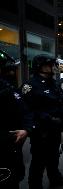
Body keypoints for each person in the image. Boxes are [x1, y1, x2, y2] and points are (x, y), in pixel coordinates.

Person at [20, 54, 63, 189]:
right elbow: (29, 109)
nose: (53, 67)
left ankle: (55, 178)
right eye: (50, 65)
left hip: (55, 128)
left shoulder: (53, 82)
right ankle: (35, 185)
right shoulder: (30, 85)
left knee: (54, 157)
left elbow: (59, 101)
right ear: (41, 67)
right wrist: (48, 118)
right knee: (39, 161)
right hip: (41, 130)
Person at [0, 50, 32, 189]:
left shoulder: (9, 88)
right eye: (8, 70)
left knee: (14, 177)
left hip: (13, 140)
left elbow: (24, 110)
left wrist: (26, 129)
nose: (12, 73)